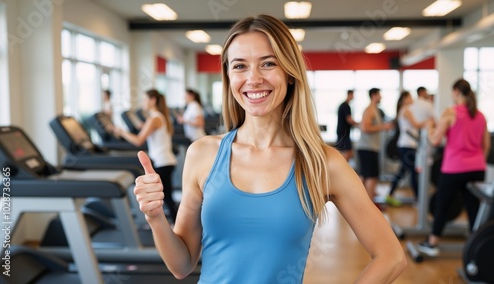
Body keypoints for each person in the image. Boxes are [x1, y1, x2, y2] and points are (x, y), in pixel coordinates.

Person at [133, 14, 406, 283]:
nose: (253, 79)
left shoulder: (323, 163)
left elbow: (391, 256)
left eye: (268, 64)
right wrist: (155, 216)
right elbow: (181, 265)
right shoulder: (203, 154)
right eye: (239, 66)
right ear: (229, 77)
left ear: (289, 73)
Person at [417, 78, 491, 257]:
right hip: (477, 168)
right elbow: (486, 145)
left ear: (456, 91)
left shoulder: (451, 113)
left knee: (442, 204)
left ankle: (432, 242)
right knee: (473, 207)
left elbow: (435, 140)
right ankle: (477, 247)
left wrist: (429, 128)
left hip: (454, 168)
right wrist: (477, 161)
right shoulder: (480, 115)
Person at [114, 89, 178, 223]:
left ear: (152, 100)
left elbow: (138, 141)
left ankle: (177, 226)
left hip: (162, 162)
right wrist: (143, 126)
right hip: (166, 160)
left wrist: (121, 132)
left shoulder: (154, 118)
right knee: (166, 197)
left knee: (164, 198)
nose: (143, 102)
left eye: (144, 99)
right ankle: (176, 224)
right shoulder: (160, 116)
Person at [385, 91, 430, 207]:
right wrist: (428, 121)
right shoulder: (406, 110)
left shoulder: (404, 110)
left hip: (408, 145)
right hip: (407, 145)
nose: (412, 98)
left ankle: (391, 194)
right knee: (413, 172)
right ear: (405, 99)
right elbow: (416, 124)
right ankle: (418, 199)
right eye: (410, 96)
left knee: (404, 171)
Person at [356, 88, 394, 206]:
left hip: (369, 148)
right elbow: (364, 128)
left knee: (366, 176)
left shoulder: (374, 110)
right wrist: (383, 127)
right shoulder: (370, 110)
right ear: (374, 95)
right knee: (371, 176)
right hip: (367, 148)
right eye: (379, 95)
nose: (381, 97)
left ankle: (361, 203)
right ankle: (369, 205)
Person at [336, 90, 358, 161]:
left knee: (348, 152)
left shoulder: (343, 105)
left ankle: (342, 168)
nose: (353, 97)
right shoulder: (346, 106)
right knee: (348, 152)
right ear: (349, 95)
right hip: (343, 133)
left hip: (343, 133)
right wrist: (359, 124)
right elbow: (349, 120)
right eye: (352, 95)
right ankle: (341, 168)